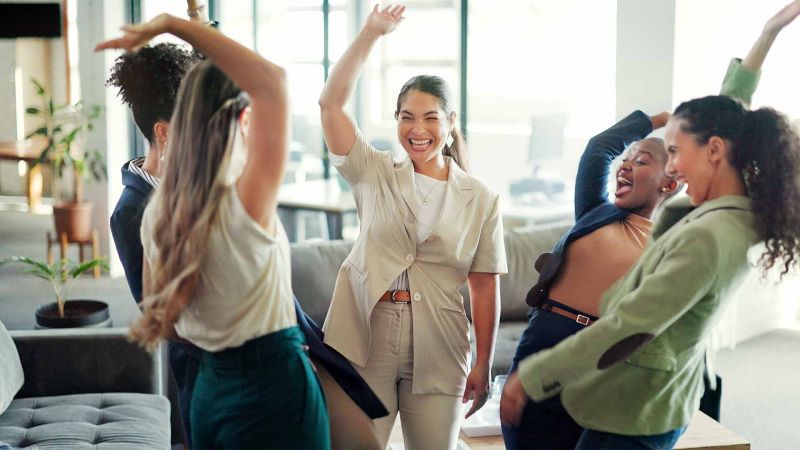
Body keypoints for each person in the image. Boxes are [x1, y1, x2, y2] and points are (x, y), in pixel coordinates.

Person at [501, 1, 800, 447]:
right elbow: (729, 119)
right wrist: (766, 36)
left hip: (636, 399)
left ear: (713, 152)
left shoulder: (704, 232)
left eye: (673, 153)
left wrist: (534, 376)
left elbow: (631, 325)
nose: (674, 164)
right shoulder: (729, 208)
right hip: (609, 377)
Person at [96, 14, 331, 448]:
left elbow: (164, 321)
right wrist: (172, 24)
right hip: (273, 387)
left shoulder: (158, 214)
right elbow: (274, 83)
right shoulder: (246, 202)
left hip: (211, 395)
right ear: (240, 119)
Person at [319, 5, 507, 449]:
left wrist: (484, 361)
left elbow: (484, 287)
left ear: (451, 123)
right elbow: (330, 103)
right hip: (365, 331)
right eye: (406, 116)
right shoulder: (374, 171)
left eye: (429, 117)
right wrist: (370, 34)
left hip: (440, 341)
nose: (416, 129)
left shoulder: (481, 197)